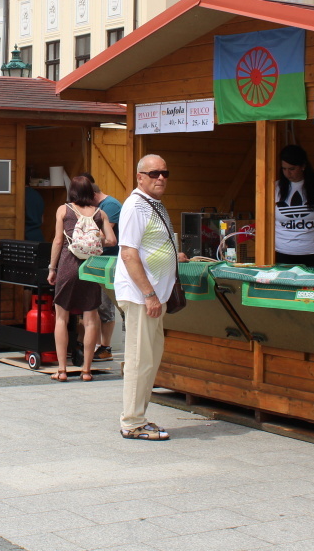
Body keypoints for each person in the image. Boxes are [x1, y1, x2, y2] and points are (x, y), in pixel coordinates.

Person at [115, 154, 186, 441]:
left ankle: (138, 418)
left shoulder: (151, 204)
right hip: (142, 296)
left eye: (165, 173)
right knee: (139, 359)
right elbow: (128, 253)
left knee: (150, 358)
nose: (160, 178)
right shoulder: (135, 206)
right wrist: (149, 295)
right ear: (139, 177)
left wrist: (173, 255)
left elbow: (149, 245)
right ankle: (132, 422)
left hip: (154, 295)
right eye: (154, 173)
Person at [47, 176, 116, 382]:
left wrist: (52, 268)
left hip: (68, 265)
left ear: (72, 192)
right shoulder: (100, 213)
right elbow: (112, 240)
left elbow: (58, 241)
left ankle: (62, 370)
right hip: (91, 268)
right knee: (90, 319)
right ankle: (86, 371)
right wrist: (96, 238)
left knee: (61, 317)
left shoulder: (63, 210)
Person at [78, 172, 122, 362]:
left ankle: (105, 347)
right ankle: (90, 345)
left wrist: (83, 239)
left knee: (105, 306)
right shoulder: (97, 207)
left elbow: (105, 236)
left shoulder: (110, 206)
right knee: (91, 306)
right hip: (93, 261)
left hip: (108, 262)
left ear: (93, 196)